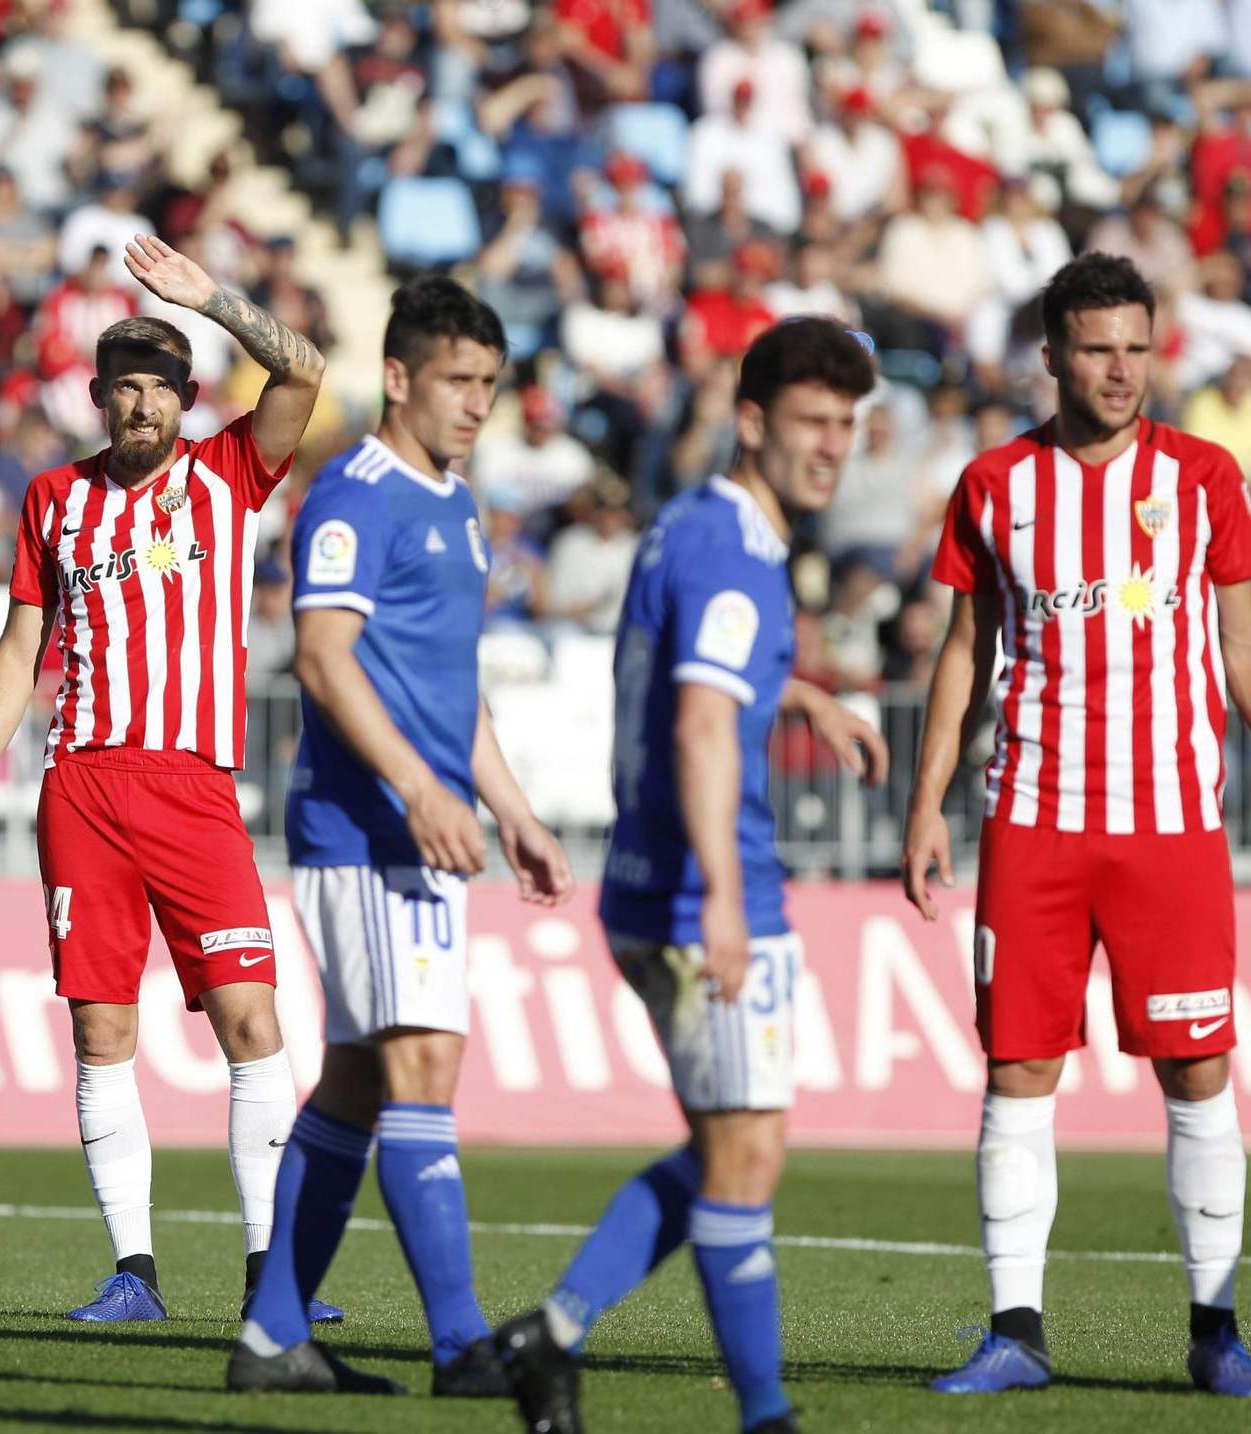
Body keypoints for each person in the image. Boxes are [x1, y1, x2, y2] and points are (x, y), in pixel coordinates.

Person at [495, 318, 887, 1434]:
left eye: (847, 425)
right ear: (752, 423)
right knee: (745, 1155)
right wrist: (721, 897)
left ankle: (554, 1334)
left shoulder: (695, 527)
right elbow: (706, 729)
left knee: (732, 1144)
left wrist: (801, 696)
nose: (831, 446)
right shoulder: (736, 553)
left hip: (647, 880)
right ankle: (762, 1414)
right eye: (811, 421)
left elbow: (703, 680)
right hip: (699, 889)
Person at [0, 236, 339, 1328]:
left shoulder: (226, 474)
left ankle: (274, 1272)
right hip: (83, 787)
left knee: (251, 1023)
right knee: (100, 1035)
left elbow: (305, 371)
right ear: (99, 397)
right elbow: (21, 647)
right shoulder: (55, 502)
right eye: (124, 386)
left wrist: (209, 297)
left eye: (160, 386)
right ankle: (137, 1273)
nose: (142, 405)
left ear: (186, 397)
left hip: (195, 788)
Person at [901, 251, 1251, 1398]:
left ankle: (1213, 1330)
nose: (1121, 371)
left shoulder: (1204, 478)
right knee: (1018, 1069)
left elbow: (1241, 650)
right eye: (1097, 349)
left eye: (1137, 348)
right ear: (1050, 355)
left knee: (1198, 1070)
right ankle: (1015, 1332)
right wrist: (926, 804)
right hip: (1035, 820)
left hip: (1170, 826)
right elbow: (964, 652)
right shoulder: (996, 483)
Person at [228, 277, 574, 1397]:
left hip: (424, 830)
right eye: (456, 381)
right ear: (397, 377)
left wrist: (509, 808)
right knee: (424, 1062)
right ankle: (461, 1346)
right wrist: (424, 794)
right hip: (364, 831)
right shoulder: (355, 494)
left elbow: (450, 687)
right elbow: (324, 656)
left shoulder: (460, 503)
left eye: (488, 383)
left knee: (359, 1086)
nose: (475, 403)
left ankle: (273, 1340)